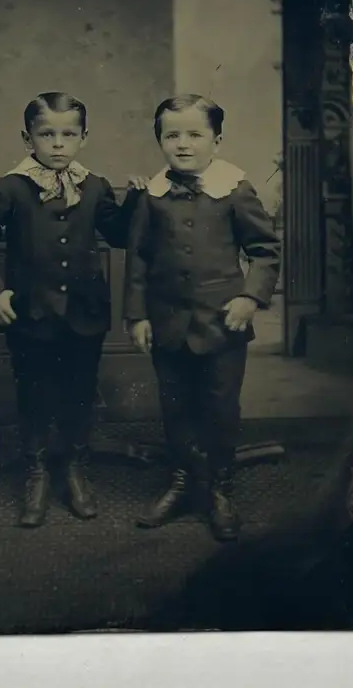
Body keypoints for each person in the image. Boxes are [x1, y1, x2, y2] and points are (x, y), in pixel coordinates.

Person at [0, 91, 145, 528]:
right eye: (48, 135)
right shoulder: (8, 187)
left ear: (84, 137)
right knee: (35, 393)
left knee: (80, 394)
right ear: (28, 139)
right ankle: (38, 472)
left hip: (84, 312)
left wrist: (135, 200)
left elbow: (118, 234)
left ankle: (75, 471)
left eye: (69, 134)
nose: (58, 144)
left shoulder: (95, 185)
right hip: (31, 313)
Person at [124, 94, 281, 541]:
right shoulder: (152, 196)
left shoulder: (235, 189)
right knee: (175, 406)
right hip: (168, 321)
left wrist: (250, 297)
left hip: (222, 324)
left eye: (195, 134)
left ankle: (218, 489)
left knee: (219, 407)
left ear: (217, 138)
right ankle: (180, 483)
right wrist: (137, 316)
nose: (183, 144)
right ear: (160, 141)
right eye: (172, 135)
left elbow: (265, 251)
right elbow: (137, 259)